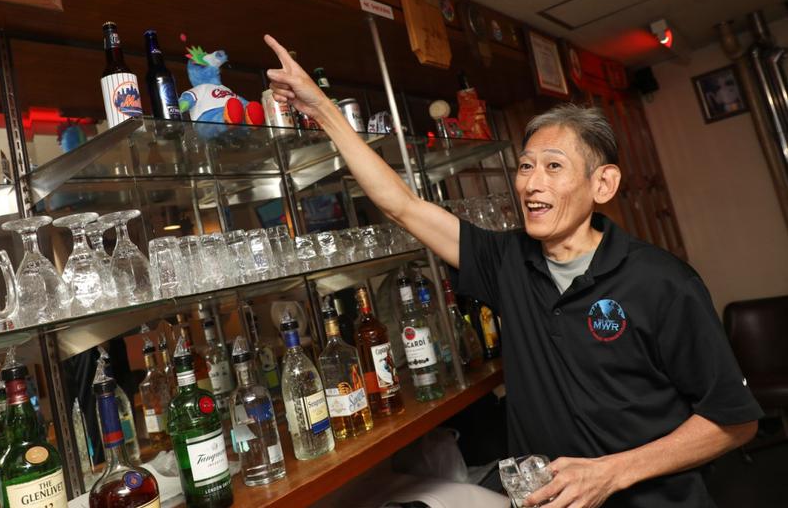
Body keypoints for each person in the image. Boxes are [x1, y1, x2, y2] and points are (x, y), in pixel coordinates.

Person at [263, 34, 762, 507]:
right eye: (525, 166)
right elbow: (402, 205)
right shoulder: (506, 260)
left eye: (553, 166)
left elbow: (734, 422)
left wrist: (612, 472)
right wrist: (321, 109)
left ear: (603, 184)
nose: (531, 183)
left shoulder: (664, 283)